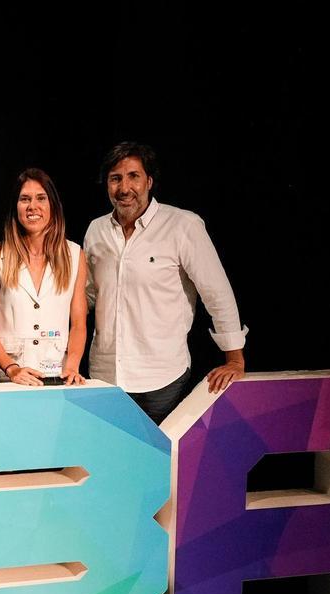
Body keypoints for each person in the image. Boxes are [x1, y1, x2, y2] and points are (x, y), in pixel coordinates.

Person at [83, 141, 248, 423]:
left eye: (133, 176)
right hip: (106, 376)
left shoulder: (183, 225)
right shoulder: (96, 230)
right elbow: (87, 296)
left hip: (162, 380)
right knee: (114, 463)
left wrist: (234, 358)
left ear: (149, 181)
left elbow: (216, 292)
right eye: (115, 178)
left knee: (161, 463)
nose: (124, 188)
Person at [0, 168, 87, 386]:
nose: (32, 207)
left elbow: (78, 323)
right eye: (24, 199)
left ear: (53, 206)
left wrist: (72, 366)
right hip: (10, 380)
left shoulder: (74, 255)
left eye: (41, 198)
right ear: (15, 208)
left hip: (58, 376)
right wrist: (11, 368)